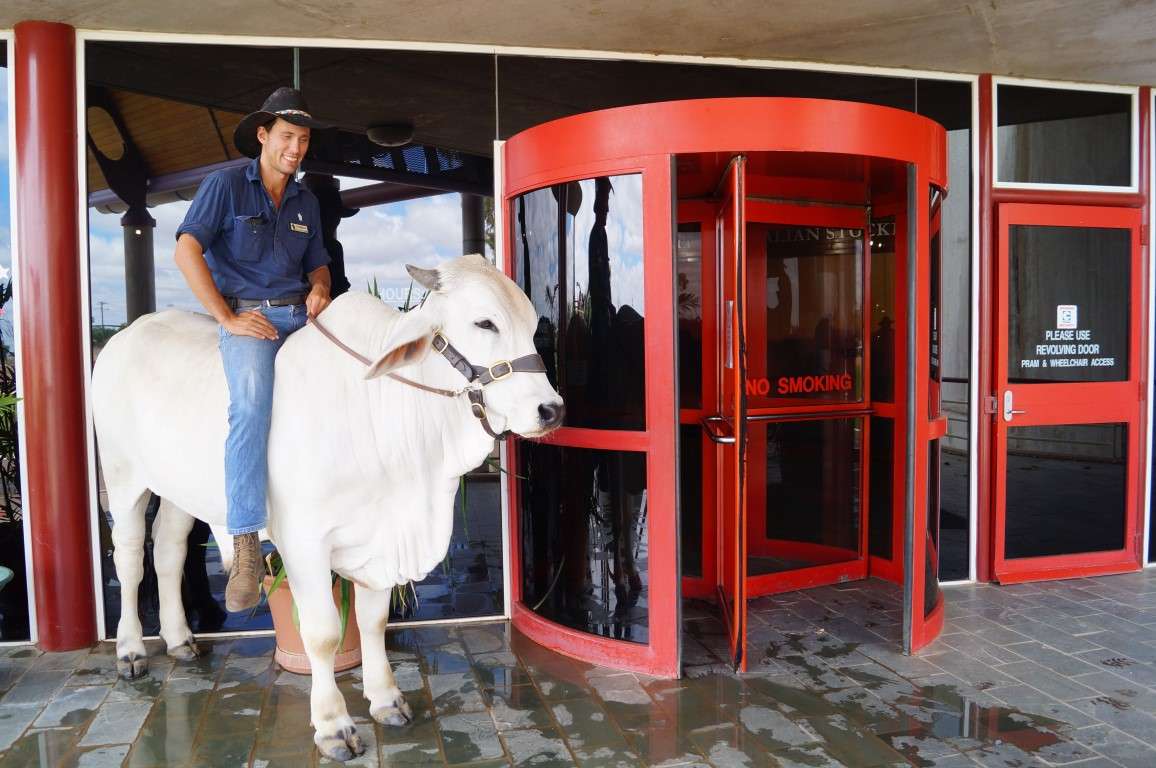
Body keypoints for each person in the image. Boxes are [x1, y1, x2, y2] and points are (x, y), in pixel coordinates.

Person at [173, 87, 332, 612]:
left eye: (303, 139)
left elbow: (318, 260)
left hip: (300, 316)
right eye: (287, 136)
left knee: (343, 393)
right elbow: (186, 248)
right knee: (252, 407)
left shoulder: (306, 200)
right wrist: (227, 317)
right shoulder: (224, 186)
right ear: (263, 136)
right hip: (251, 317)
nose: (296, 148)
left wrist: (320, 288)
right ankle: (243, 543)